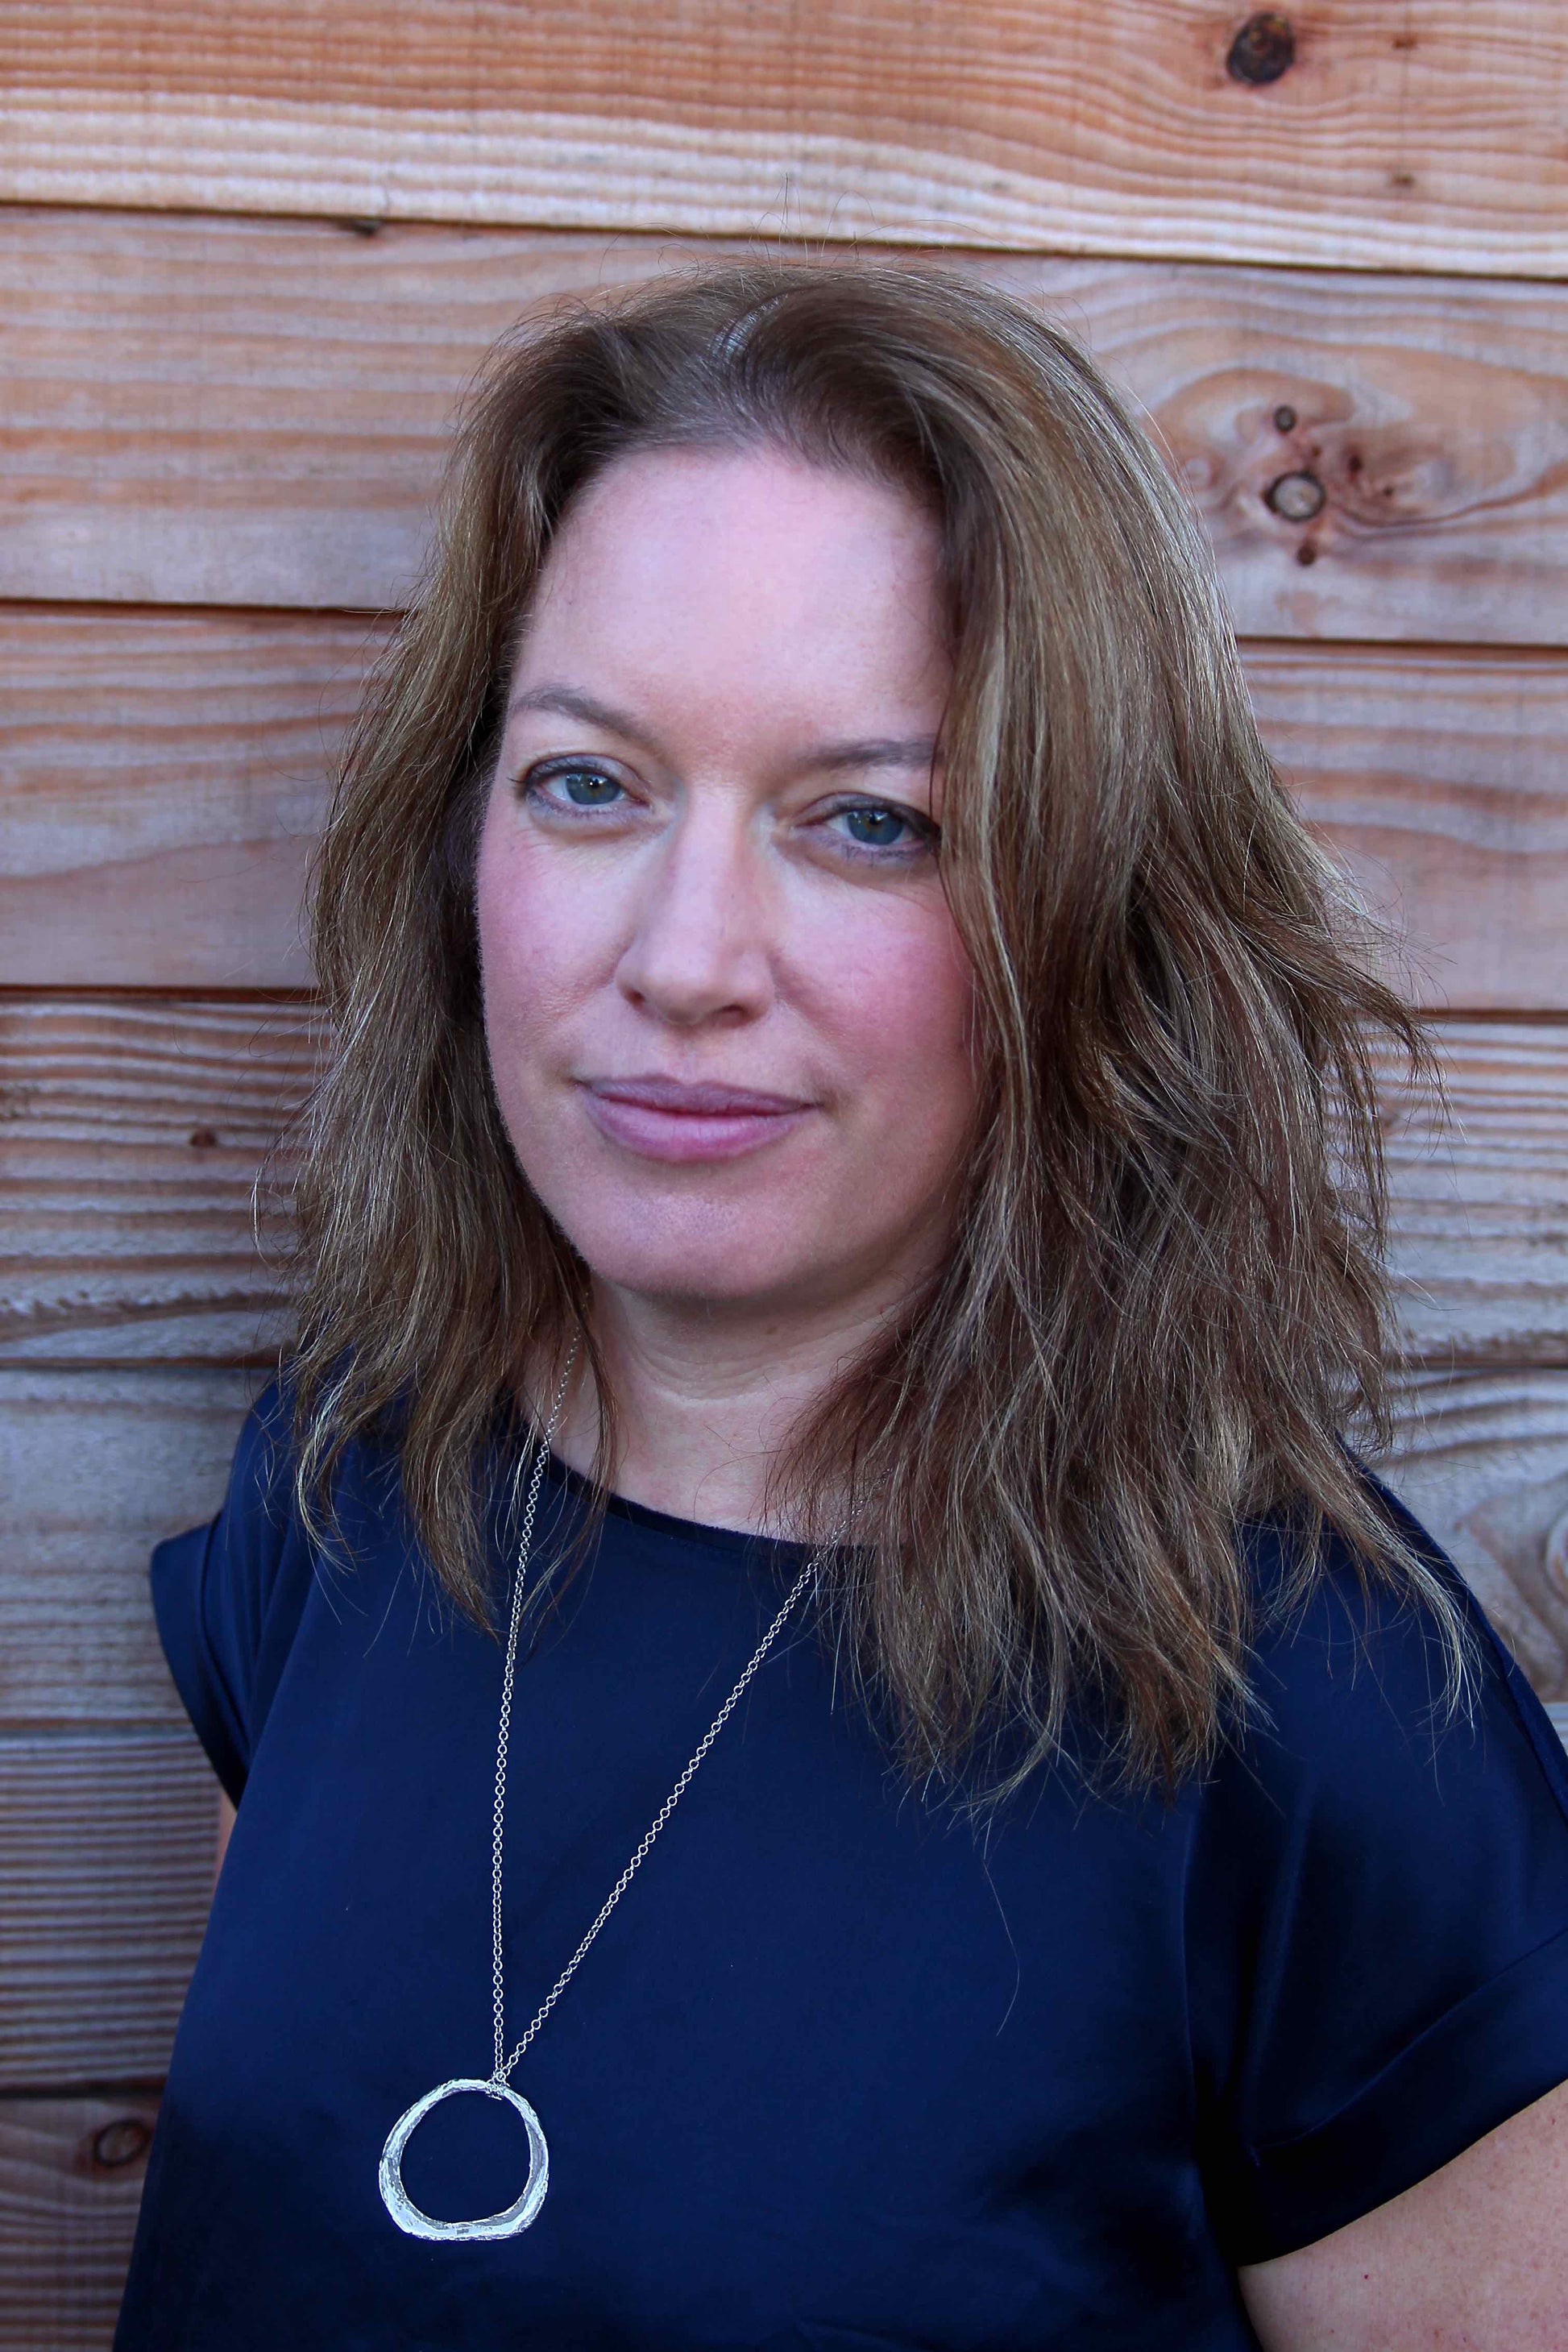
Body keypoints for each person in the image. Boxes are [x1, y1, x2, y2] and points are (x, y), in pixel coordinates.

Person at [117, 263, 1568, 2350]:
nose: (685, 953)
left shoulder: (1324, 1718)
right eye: (590, 784)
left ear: (1079, 917)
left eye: (866, 821)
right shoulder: (349, 1485)